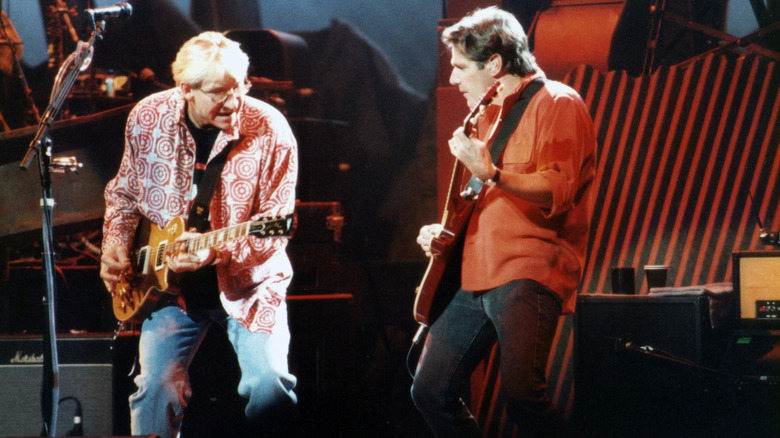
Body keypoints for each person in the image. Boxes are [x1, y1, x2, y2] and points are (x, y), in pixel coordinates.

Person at [99, 31, 298, 438]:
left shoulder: (271, 129)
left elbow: (274, 228)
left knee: (269, 385)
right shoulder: (147, 117)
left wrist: (214, 254)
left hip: (249, 285)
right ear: (185, 90)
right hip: (168, 291)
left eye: (240, 86)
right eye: (219, 92)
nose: (235, 101)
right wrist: (116, 245)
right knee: (154, 389)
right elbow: (124, 194)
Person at [412, 7, 597, 438]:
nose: (454, 79)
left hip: (527, 270)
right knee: (429, 390)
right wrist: (446, 235)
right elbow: (486, 201)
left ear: (494, 64)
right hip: (474, 275)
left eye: (460, 67)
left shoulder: (558, 102)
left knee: (522, 398)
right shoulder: (487, 117)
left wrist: (492, 173)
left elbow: (558, 187)